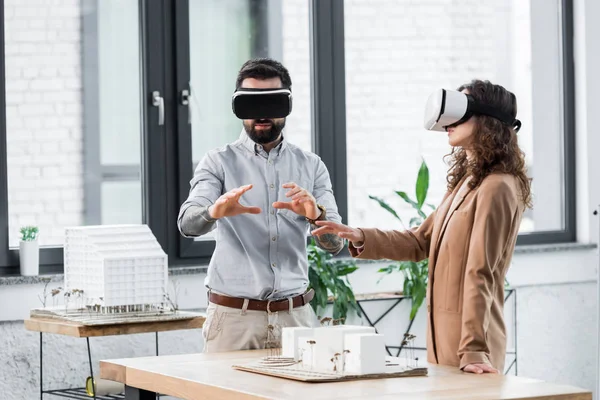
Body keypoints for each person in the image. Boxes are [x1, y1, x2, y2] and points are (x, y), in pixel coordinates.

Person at [312, 79, 532, 374]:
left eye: (459, 111)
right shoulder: (467, 183)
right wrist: (361, 236)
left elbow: (482, 271)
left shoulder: (497, 187)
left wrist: (474, 349)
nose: (447, 123)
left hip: (472, 348)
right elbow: (420, 242)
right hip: (444, 338)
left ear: (487, 120)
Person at [178, 58, 344, 353]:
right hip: (233, 320)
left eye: (272, 102)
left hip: (296, 318)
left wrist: (316, 217)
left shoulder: (311, 166)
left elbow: (335, 244)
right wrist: (213, 212)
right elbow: (187, 224)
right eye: (253, 104)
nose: (262, 115)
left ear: (287, 105)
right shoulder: (218, 162)